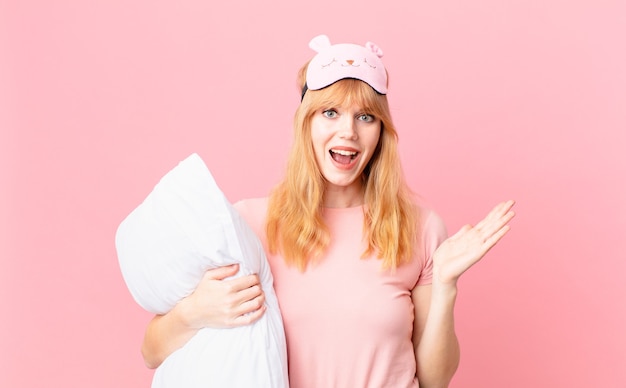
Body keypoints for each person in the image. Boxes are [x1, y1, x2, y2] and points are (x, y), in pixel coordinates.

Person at [141, 34, 515, 388]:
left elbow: (435, 380)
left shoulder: (420, 228)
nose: (348, 131)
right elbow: (151, 351)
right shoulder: (251, 224)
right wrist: (194, 313)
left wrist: (446, 286)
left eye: (365, 117)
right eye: (330, 113)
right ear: (306, 123)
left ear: (381, 132)